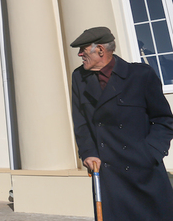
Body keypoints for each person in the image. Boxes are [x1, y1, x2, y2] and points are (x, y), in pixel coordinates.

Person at [70, 26, 173, 221]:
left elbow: (163, 119)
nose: (79, 54)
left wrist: (151, 153)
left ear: (100, 50)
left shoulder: (141, 75)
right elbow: (80, 122)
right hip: (109, 175)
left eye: (83, 49)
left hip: (144, 172)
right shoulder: (79, 78)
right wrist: (88, 152)